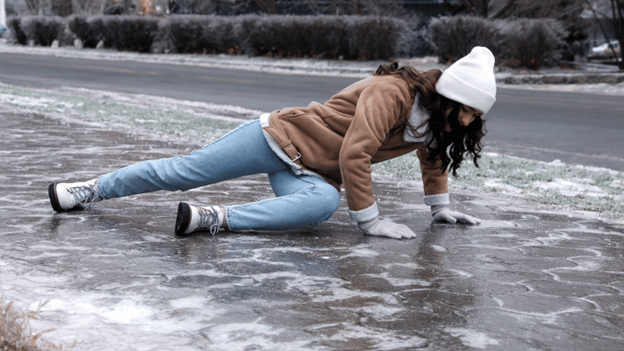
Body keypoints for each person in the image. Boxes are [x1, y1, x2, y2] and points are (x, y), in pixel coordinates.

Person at [48, 46, 497, 239]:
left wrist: (439, 208)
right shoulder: (393, 93)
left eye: (477, 114)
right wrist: (371, 222)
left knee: (320, 206)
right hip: (277, 137)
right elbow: (356, 151)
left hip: (312, 172)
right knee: (183, 173)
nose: (469, 119)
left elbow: (433, 155)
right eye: (467, 109)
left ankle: (212, 219)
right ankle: (89, 190)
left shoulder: (437, 120)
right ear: (446, 96)